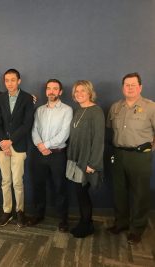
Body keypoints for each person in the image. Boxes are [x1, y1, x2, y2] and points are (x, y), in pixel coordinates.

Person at [106, 72, 155, 244]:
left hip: (139, 156)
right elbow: (110, 130)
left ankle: (137, 228)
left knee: (140, 194)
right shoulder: (115, 107)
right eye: (127, 84)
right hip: (118, 154)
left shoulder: (151, 107)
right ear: (122, 88)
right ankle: (121, 223)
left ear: (140, 87)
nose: (130, 87)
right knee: (119, 192)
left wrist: (150, 148)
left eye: (133, 84)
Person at [28, 79, 72, 232]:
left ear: (60, 92)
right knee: (38, 186)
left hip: (57, 155)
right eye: (49, 88)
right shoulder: (39, 110)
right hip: (39, 154)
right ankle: (38, 214)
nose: (51, 91)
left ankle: (63, 219)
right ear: (46, 91)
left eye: (55, 89)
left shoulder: (67, 110)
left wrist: (45, 146)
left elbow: (64, 134)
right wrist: (40, 146)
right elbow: (34, 130)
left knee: (60, 187)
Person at [0, 68, 34, 227]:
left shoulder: (27, 98)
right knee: (5, 181)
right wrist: (3, 142)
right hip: (2, 147)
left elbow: (27, 124)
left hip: (18, 146)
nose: (9, 83)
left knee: (17, 181)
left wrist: (10, 141)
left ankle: (20, 212)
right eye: (7, 80)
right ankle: (7, 211)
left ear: (19, 81)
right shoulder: (0, 98)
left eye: (13, 80)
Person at [66, 80, 105, 238]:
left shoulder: (96, 111)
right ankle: (85, 222)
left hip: (87, 161)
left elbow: (98, 139)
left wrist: (92, 164)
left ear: (90, 93)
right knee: (79, 193)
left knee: (82, 193)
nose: (79, 94)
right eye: (77, 91)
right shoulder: (77, 111)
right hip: (75, 159)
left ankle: (87, 224)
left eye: (83, 91)